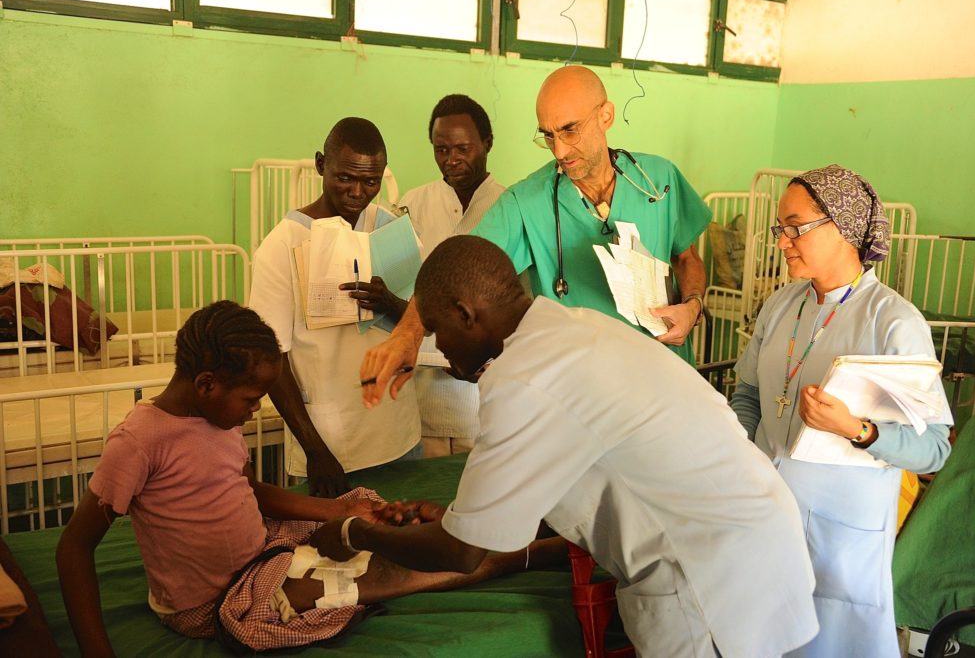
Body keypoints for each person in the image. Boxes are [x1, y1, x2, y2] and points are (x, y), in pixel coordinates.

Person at [312, 235, 819, 657]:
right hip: (757, 536)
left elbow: (464, 552)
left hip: (711, 579)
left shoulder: (524, 380)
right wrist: (460, 513)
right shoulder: (574, 328)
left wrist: (355, 534)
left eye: (439, 331)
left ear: (467, 313)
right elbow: (567, 470)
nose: (439, 347)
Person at [55, 302, 565, 654]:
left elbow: (246, 493)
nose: (255, 410)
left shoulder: (217, 418)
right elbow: (73, 549)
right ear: (207, 384)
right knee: (368, 573)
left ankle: (484, 529)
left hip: (263, 551)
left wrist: (334, 509)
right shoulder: (140, 441)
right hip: (217, 601)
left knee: (364, 508)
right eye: (250, 399)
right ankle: (514, 556)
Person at [358, 66, 711, 409]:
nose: (559, 151)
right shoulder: (526, 202)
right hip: (584, 398)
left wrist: (692, 306)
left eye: (570, 130)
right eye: (548, 135)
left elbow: (687, 259)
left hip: (665, 381)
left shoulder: (658, 179)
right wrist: (407, 335)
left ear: (606, 115)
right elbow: (455, 271)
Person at [728, 165, 952, 657]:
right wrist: (736, 458)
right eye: (780, 228)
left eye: (795, 227)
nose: (783, 240)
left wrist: (856, 429)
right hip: (766, 517)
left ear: (843, 228)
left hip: (841, 538)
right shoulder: (781, 305)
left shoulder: (894, 322)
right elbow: (747, 396)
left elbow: (934, 450)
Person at [249, 118, 420, 496]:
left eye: (371, 181)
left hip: (398, 430)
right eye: (346, 178)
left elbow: (419, 320)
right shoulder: (282, 247)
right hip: (331, 439)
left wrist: (391, 304)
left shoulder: (391, 231)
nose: (358, 192)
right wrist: (314, 448)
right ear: (320, 164)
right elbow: (272, 356)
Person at [400, 94, 505, 457]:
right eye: (441, 149)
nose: (452, 159)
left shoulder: (508, 207)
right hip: (424, 389)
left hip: (485, 394)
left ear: (487, 143)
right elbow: (401, 287)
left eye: (463, 148)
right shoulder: (412, 204)